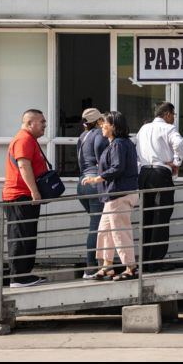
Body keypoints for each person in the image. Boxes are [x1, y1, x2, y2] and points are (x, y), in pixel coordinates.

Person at [82, 111, 139, 281]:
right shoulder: (117, 143)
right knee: (105, 231)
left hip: (119, 194)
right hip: (113, 195)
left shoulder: (119, 144)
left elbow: (117, 167)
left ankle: (131, 268)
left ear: (113, 126)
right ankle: (107, 267)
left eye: (104, 124)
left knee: (119, 231)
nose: (101, 126)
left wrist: (97, 178)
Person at [2, 109, 49, 288]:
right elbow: (23, 165)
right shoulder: (24, 139)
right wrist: (34, 191)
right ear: (29, 123)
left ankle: (24, 274)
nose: (45, 125)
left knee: (27, 234)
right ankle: (18, 277)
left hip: (24, 195)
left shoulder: (29, 139)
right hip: (20, 196)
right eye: (41, 121)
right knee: (20, 235)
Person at [136, 102, 183, 273]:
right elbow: (179, 144)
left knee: (146, 217)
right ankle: (155, 262)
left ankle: (144, 261)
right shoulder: (169, 129)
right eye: (173, 115)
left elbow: (136, 149)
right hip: (160, 173)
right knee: (161, 217)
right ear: (167, 114)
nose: (174, 118)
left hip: (144, 174)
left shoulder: (143, 129)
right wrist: (176, 162)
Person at [76, 108, 110, 279]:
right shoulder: (99, 135)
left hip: (82, 183)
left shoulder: (83, 136)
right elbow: (101, 156)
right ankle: (91, 268)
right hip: (94, 183)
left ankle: (100, 264)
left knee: (97, 224)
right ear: (98, 121)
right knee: (96, 226)